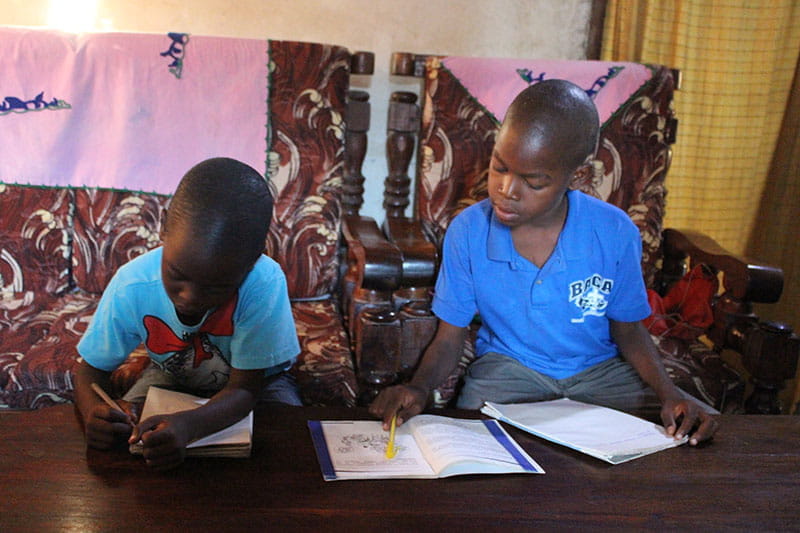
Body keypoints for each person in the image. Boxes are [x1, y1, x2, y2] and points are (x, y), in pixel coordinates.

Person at [370, 80, 718, 445]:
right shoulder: (468, 232)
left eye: (533, 183)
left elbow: (629, 330)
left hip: (600, 372)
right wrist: (420, 388)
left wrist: (668, 394)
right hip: (509, 370)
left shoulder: (614, 232)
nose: (507, 190)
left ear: (578, 177)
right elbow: (449, 337)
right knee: (472, 436)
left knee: (683, 430)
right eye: (499, 167)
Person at [74, 157, 301, 469]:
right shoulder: (133, 284)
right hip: (172, 376)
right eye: (177, 274)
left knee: (286, 446)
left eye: (215, 287)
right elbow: (89, 373)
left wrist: (190, 426)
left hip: (261, 384)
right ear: (164, 227)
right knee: (128, 438)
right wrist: (93, 415)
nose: (189, 298)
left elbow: (244, 389)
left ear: (254, 257)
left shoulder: (263, 282)